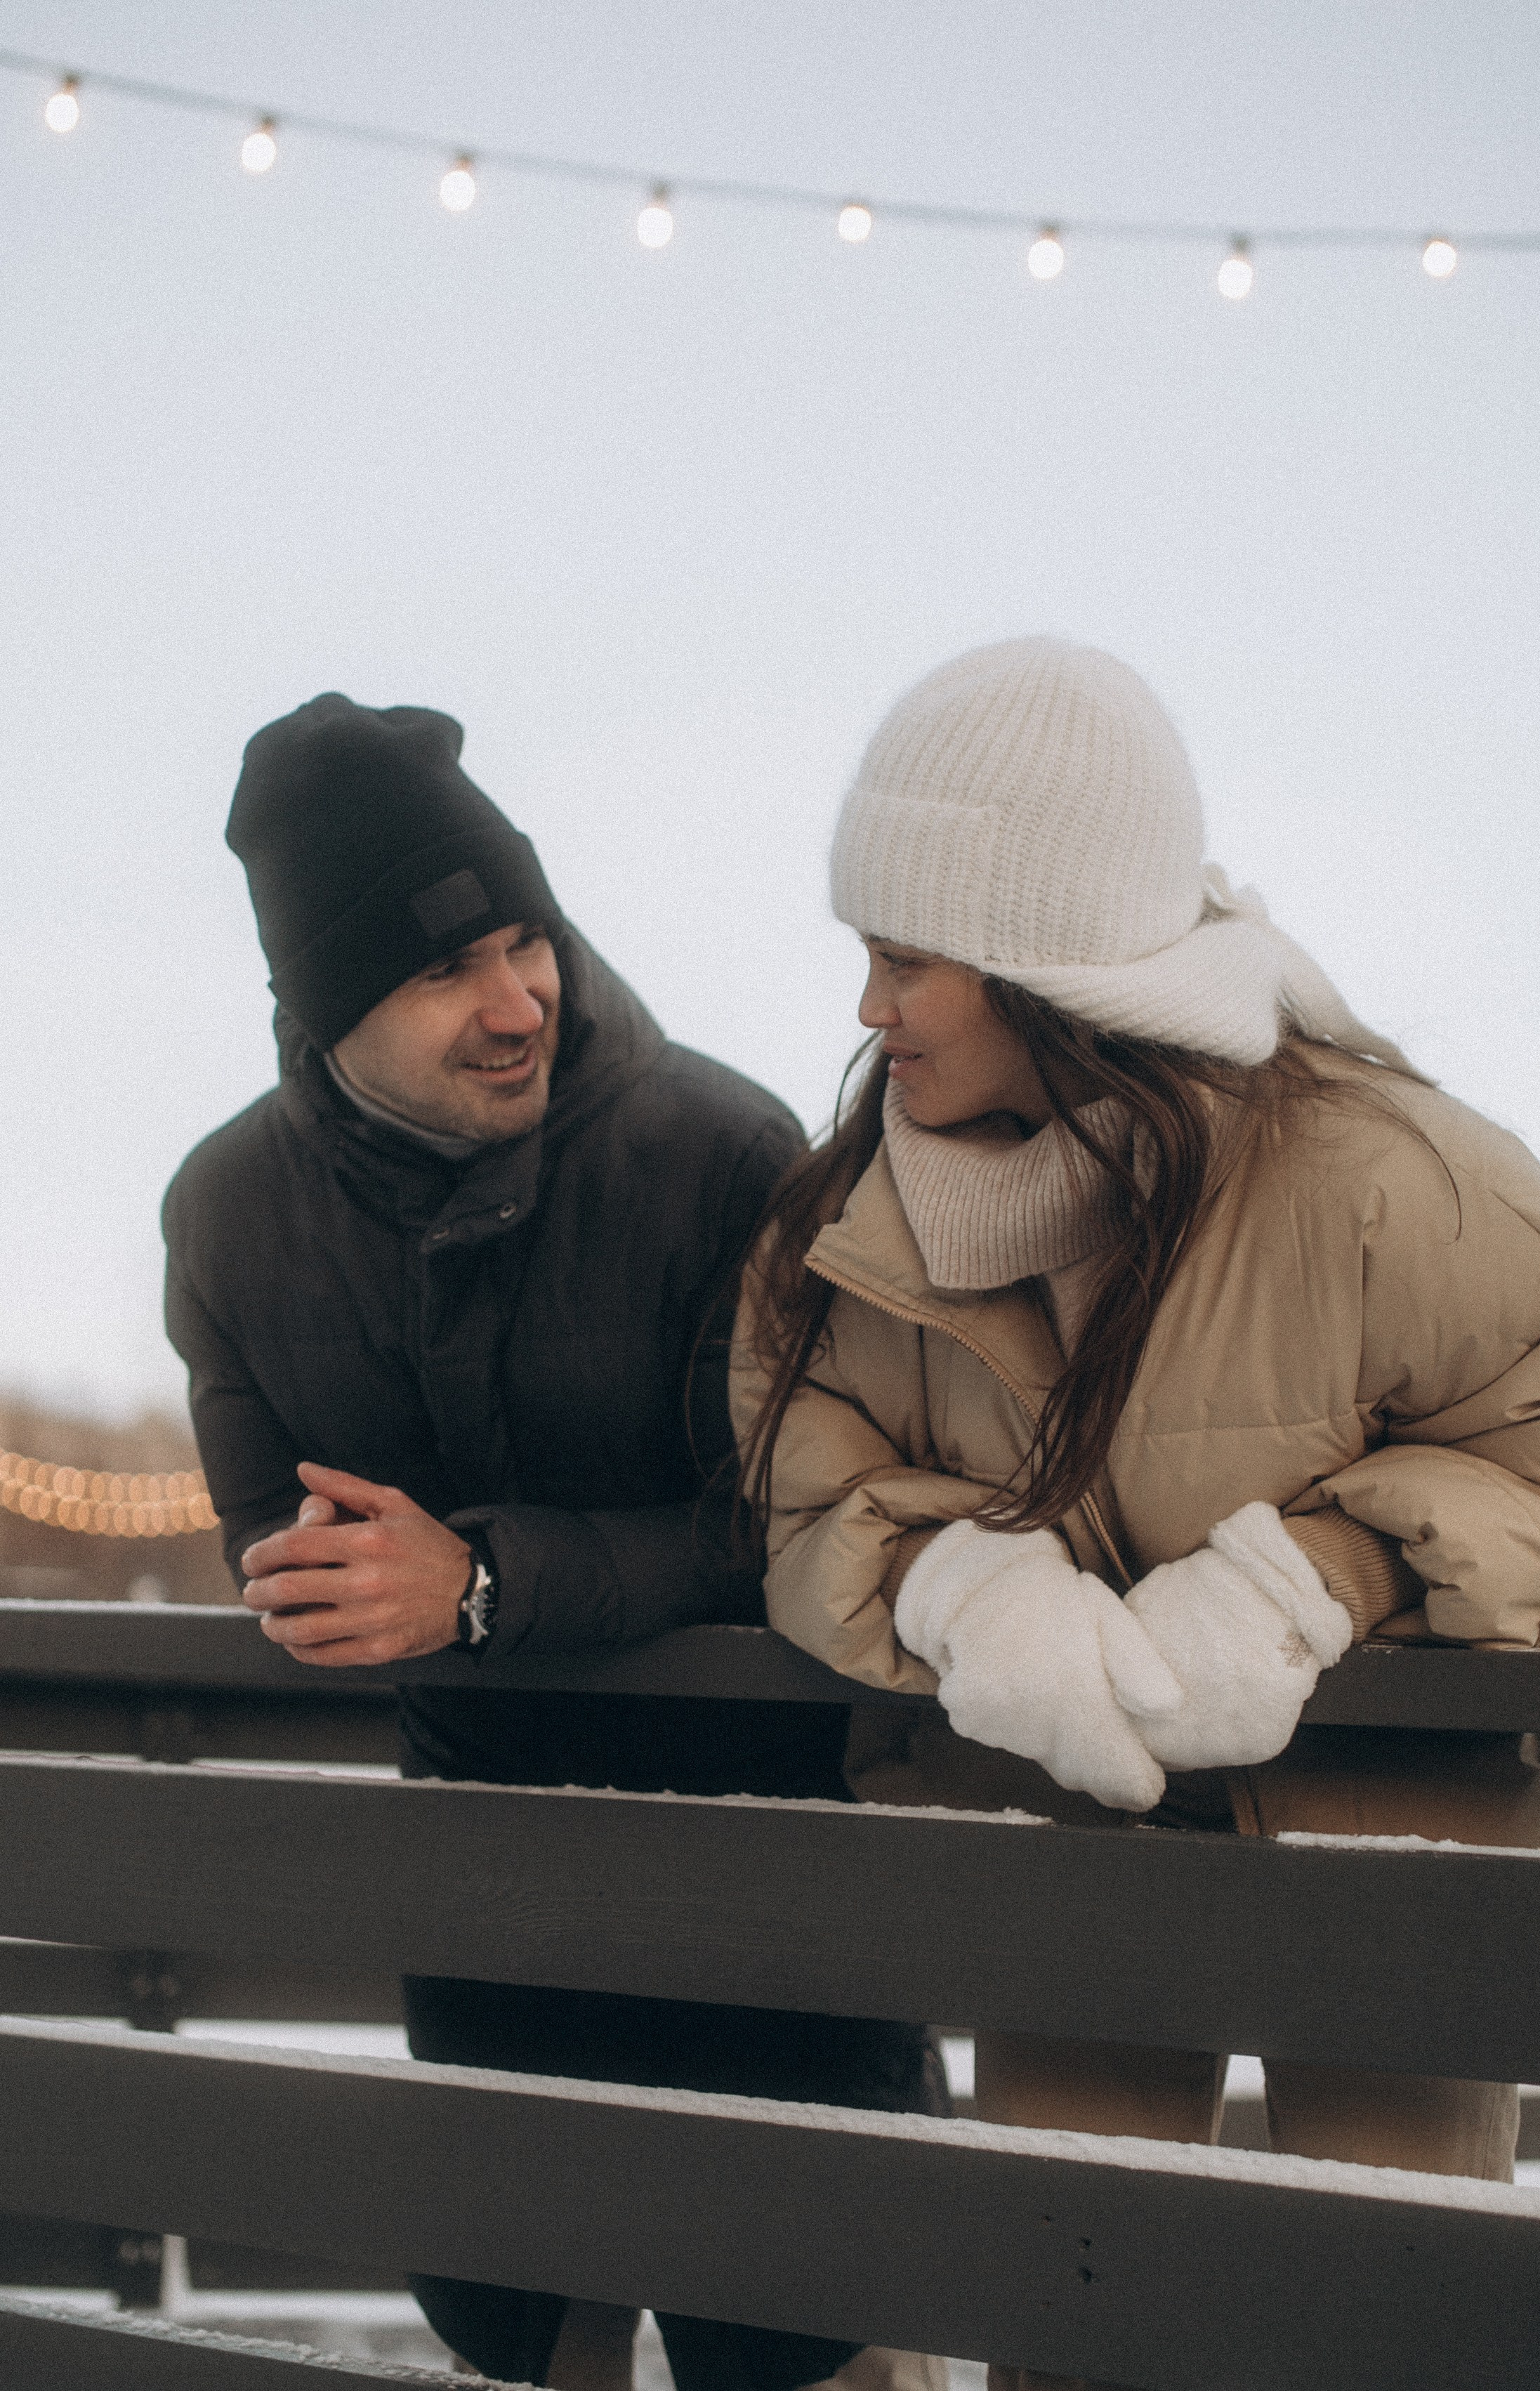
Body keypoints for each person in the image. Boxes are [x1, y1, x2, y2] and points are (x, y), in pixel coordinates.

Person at [732, 637, 1540, 2391]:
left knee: (1395, 2327)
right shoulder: (851, 1228)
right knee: (1070, 2323)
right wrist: (957, 1590)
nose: (867, 1010)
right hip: (1062, 1867)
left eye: (905, 959)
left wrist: (1325, 1577)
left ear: (1041, 968)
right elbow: (803, 1484)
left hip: (1386, 1877)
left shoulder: (1387, 1179)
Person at [163, 693, 947, 2391]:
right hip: (488, 1858)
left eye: (533, 941)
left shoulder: (725, 1156)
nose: (521, 999)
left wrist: (484, 1578)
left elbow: (798, 1525)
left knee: (812, 2331)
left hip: (764, 1848)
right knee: (530, 2324)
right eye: (453, 970)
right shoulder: (226, 1210)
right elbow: (271, 1536)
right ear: (329, 1003)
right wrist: (327, 1579)